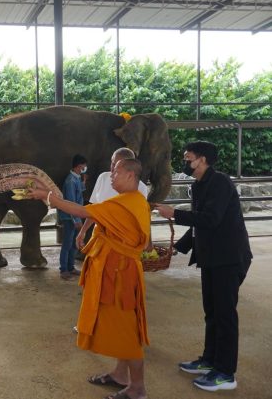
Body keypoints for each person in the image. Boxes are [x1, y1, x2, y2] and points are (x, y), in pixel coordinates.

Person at [27, 158, 150, 399]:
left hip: (121, 277)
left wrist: (48, 196)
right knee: (120, 328)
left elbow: (81, 210)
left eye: (115, 172)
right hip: (117, 271)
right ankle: (120, 375)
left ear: (129, 176)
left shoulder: (126, 203)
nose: (111, 176)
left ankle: (138, 388)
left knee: (127, 333)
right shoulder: (132, 201)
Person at [155, 141, 252, 392]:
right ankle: (210, 360)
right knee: (212, 311)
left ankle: (226, 373)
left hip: (229, 258)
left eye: (189, 159)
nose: (186, 163)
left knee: (225, 314)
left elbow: (211, 219)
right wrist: (177, 247)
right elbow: (200, 224)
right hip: (212, 258)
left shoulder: (220, 182)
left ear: (203, 159)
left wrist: (174, 213)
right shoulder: (198, 185)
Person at [76, 148, 149, 250]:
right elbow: (94, 209)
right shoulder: (103, 178)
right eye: (112, 163)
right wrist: (83, 231)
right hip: (100, 240)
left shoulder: (140, 188)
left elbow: (139, 220)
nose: (112, 168)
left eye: (116, 165)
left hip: (123, 243)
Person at [58, 154, 87, 280]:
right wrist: (76, 220)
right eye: (84, 166)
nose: (85, 168)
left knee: (73, 244)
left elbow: (78, 192)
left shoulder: (76, 179)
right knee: (67, 243)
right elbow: (71, 202)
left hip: (75, 216)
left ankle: (71, 267)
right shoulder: (70, 180)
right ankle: (64, 269)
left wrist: (84, 182)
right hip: (70, 218)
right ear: (79, 166)